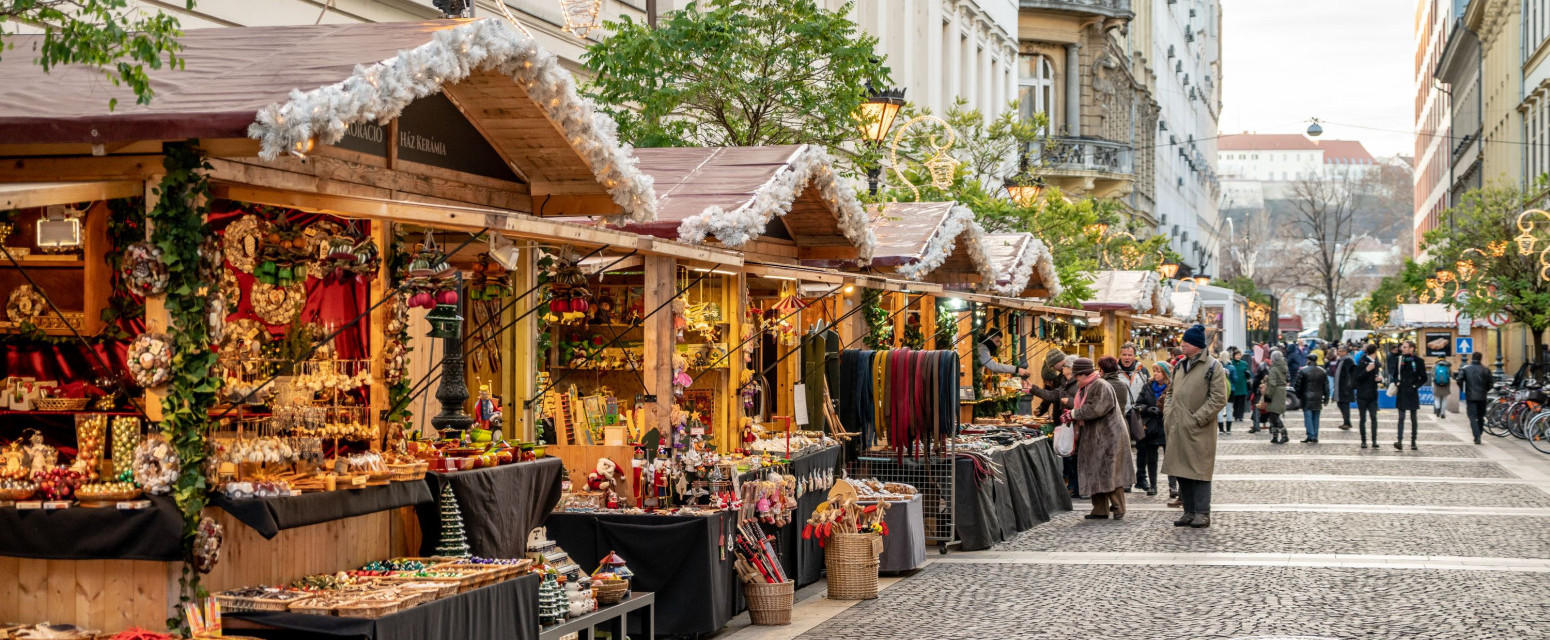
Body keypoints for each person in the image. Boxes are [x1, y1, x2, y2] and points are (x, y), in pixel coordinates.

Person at [1162, 324, 1229, 528]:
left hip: (1199, 429)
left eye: (1186, 342)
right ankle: (1188, 511)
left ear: (1198, 346)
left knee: (1199, 471)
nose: (1182, 345)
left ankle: (1202, 512)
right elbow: (1171, 392)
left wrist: (1197, 418)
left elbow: (1219, 399)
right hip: (1177, 426)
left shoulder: (1212, 366)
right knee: (1181, 470)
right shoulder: (1180, 366)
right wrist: (1168, 413)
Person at [1065, 357, 1135, 519]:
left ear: (1084, 374)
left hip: (1109, 436)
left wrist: (1073, 413)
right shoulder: (1088, 386)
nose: (1076, 379)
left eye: (1077, 375)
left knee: (1109, 472)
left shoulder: (1100, 385)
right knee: (1095, 470)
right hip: (1096, 436)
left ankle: (1118, 508)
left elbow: (1095, 409)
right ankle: (1100, 509)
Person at [1029, 351, 1082, 497]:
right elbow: (1051, 395)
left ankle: (1074, 486)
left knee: (1072, 456)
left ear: (1070, 369)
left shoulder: (1074, 384)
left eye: (1064, 366)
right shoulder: (1064, 384)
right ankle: (1070, 485)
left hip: (1072, 424)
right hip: (1065, 423)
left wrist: (1069, 402)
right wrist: (1033, 389)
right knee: (1067, 455)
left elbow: (1079, 403)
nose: (1060, 368)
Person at [1134, 361, 1170, 497]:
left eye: (1158, 371)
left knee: (1170, 459)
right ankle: (1153, 486)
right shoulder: (1148, 386)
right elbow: (1138, 405)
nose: (1155, 374)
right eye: (1154, 371)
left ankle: (1173, 487)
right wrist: (1148, 409)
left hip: (1166, 426)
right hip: (1151, 427)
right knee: (1152, 459)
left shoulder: (1171, 387)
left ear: (1165, 374)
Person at [1393, 340, 1427, 450]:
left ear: (1411, 348)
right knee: (1401, 417)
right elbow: (1394, 374)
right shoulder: (1399, 360)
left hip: (1412, 392)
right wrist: (1396, 382)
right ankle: (1399, 441)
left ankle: (1413, 441)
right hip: (1402, 391)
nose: (1402, 349)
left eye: (1405, 347)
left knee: (1413, 418)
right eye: (1402, 347)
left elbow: (1424, 378)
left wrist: (1415, 386)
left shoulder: (1418, 361)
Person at [1456, 352, 1493, 444]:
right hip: (1482, 396)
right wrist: (1485, 390)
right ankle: (1479, 433)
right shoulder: (1486, 370)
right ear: (1481, 358)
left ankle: (1476, 436)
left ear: (1472, 358)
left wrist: (1463, 389)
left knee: (1472, 416)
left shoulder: (1466, 369)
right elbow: (1491, 383)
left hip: (1470, 396)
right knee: (1481, 416)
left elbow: (1459, 380)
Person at [1292, 354, 1329, 443]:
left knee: (1308, 417)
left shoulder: (1303, 371)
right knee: (1316, 417)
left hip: (1306, 396)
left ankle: (1311, 435)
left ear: (1308, 360)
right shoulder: (1322, 371)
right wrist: (1326, 398)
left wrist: (1299, 395)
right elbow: (1326, 386)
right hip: (1318, 396)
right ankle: (1314, 435)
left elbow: (1298, 385)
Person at [1352, 343, 1383, 449]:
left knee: (1374, 418)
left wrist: (1380, 379)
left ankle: (1374, 441)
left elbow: (1378, 376)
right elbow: (1357, 378)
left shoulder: (1377, 362)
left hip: (1373, 395)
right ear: (1375, 352)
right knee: (1363, 419)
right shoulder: (1362, 362)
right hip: (1362, 395)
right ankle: (1363, 441)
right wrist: (1366, 370)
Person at [1261, 350, 1290, 444]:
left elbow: (1272, 384)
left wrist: (1268, 394)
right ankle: (1275, 436)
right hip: (1281, 391)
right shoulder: (1282, 367)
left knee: (1274, 415)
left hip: (1275, 392)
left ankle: (1284, 434)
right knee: (1274, 415)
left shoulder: (1273, 369)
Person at [1328, 344, 1356, 430]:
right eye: (1338, 351)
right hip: (1340, 387)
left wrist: (1348, 386)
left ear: (1345, 352)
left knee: (1344, 405)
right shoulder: (1340, 360)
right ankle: (1346, 422)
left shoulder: (1348, 361)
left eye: (1340, 351)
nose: (1338, 353)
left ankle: (1347, 423)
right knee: (1340, 404)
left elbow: (1350, 375)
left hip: (1345, 388)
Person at [1225, 347, 1250, 433]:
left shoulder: (1244, 363)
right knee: (1235, 402)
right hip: (1235, 385)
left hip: (1242, 385)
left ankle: (1240, 416)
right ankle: (1235, 415)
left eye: (1239, 355)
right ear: (1234, 356)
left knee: (1242, 402)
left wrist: (1248, 373)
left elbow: (1248, 372)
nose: (1238, 356)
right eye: (1237, 355)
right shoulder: (1231, 364)